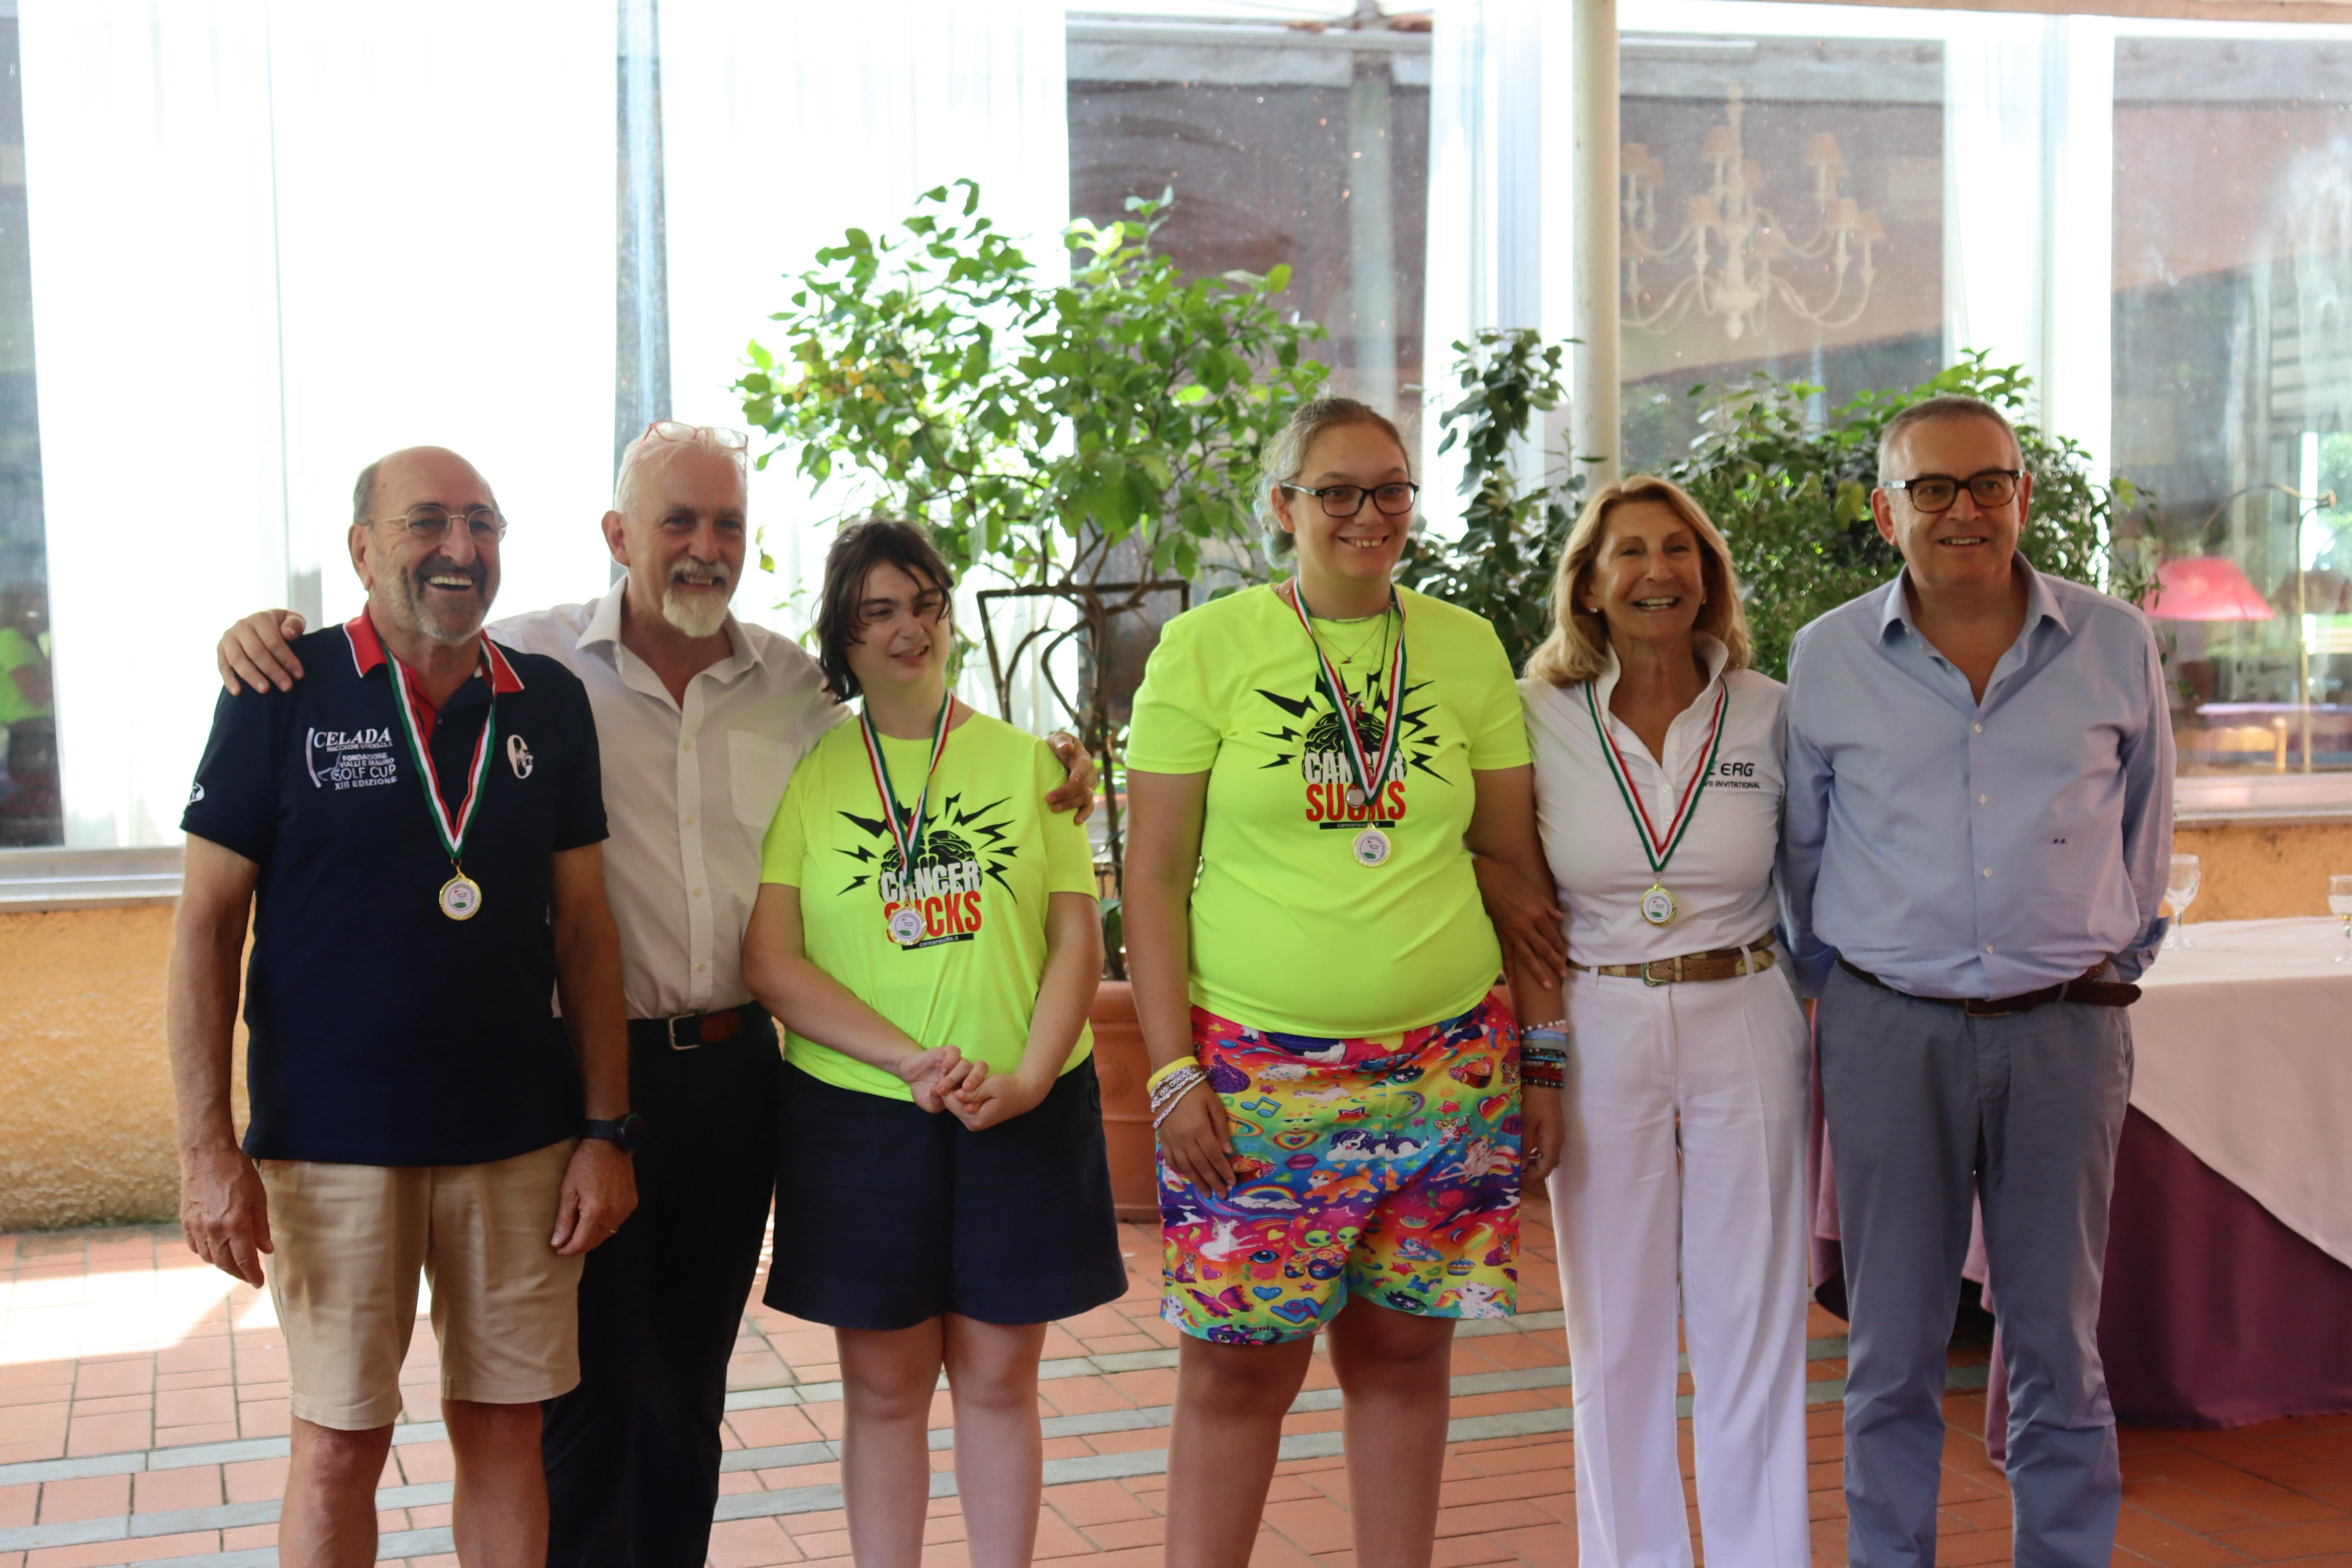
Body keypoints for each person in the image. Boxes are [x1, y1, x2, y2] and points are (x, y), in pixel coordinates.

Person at [211, 422, 1097, 1568]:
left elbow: (910, 738)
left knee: (688, 1389)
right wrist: (262, 632)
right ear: (619, 533)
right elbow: (403, 634)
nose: (704, 547)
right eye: (677, 520)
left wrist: (1051, 761)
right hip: (585, 1080)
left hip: (733, 1074)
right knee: (575, 1397)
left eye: (727, 524)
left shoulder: (792, 688)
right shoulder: (529, 660)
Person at [171, 446, 636, 1568]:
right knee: (339, 1445)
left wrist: (605, 1131)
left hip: (518, 1143)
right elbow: (205, 932)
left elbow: (585, 932)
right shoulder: (280, 687)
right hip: (333, 1144)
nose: (459, 547)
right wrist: (207, 1150)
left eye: (483, 523)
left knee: (506, 1431)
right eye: (426, 521)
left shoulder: (550, 703)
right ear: (362, 549)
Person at [1121, 396, 1564, 1568]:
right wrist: (1170, 1075)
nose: (1369, 514)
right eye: (1337, 492)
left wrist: (1543, 1061)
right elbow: (1151, 881)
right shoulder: (1206, 648)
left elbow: (1515, 872)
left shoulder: (1464, 647)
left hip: (1445, 1074)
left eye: (1391, 490)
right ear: (1284, 508)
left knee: (1405, 1357)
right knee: (1236, 1371)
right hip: (1256, 1081)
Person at [1781, 394, 2174, 1568]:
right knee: (1891, 1347)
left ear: (2022, 495)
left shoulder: (2113, 643)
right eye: (1932, 488)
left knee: (2057, 1340)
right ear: (1883, 511)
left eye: (1988, 482)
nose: (1964, 509)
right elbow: (1802, 850)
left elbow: (2147, 829)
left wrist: (2102, 958)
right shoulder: (1828, 657)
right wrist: (1853, 989)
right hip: (1887, 1034)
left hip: (2065, 1034)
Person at [741, 519, 1126, 1568]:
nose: (908, 629)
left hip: (1021, 1109)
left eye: (924, 604)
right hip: (861, 1119)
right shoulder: (811, 775)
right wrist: (906, 1061)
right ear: (845, 637)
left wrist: (1031, 1078)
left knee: (1000, 1382)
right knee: (883, 1390)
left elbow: (1075, 938)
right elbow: (771, 960)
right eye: (878, 612)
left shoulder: (1031, 764)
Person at [1514, 475, 1811, 1568]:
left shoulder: (1772, 710)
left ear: (1708, 576)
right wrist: (1539, 1063)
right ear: (1588, 586)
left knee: (1753, 1323)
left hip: (1746, 1009)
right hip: (1601, 1017)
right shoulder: (1534, 714)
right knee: (1614, 1330)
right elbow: (1496, 868)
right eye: (1629, 552)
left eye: (1679, 550)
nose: (1657, 572)